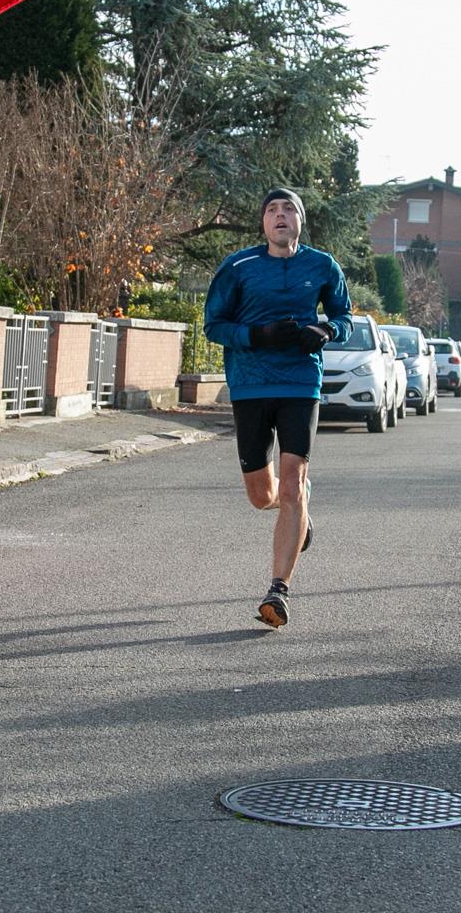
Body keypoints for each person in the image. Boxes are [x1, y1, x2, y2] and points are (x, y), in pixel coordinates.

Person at [203, 188, 351, 629]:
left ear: (300, 221)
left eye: (289, 209)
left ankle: (278, 591)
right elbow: (214, 325)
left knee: (291, 485)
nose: (280, 215)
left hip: (301, 383)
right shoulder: (238, 266)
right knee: (261, 497)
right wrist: (258, 335)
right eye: (272, 210)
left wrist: (325, 331)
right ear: (263, 222)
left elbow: (344, 317)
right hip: (250, 385)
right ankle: (298, 511)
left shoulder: (322, 265)